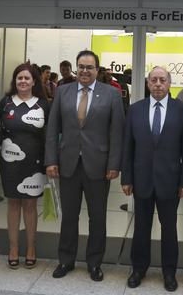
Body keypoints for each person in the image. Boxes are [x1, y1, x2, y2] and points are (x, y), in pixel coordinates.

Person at [45, 49, 124, 281]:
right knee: (69, 216)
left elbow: (117, 132)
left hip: (99, 166)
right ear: (76, 68)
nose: (85, 71)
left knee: (97, 217)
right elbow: (52, 129)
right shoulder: (63, 91)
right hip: (68, 163)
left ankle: (94, 263)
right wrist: (51, 160)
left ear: (97, 71)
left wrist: (114, 164)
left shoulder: (111, 94)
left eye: (90, 67)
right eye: (81, 66)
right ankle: (66, 260)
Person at [121, 67, 183, 292]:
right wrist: (127, 177)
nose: (158, 84)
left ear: (170, 83)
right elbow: (128, 147)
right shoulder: (135, 110)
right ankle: (138, 269)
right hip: (141, 179)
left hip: (170, 182)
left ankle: (169, 272)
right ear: (148, 84)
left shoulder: (182, 111)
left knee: (169, 229)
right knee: (141, 227)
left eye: (163, 80)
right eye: (154, 80)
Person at [0, 63, 50, 269]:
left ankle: (31, 248)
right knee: (13, 203)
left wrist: (50, 162)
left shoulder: (44, 105)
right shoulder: (5, 103)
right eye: (19, 78)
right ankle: (13, 248)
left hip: (35, 163)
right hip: (10, 161)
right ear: (15, 81)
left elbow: (50, 136)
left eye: (27, 78)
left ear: (34, 82)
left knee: (29, 205)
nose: (23, 81)